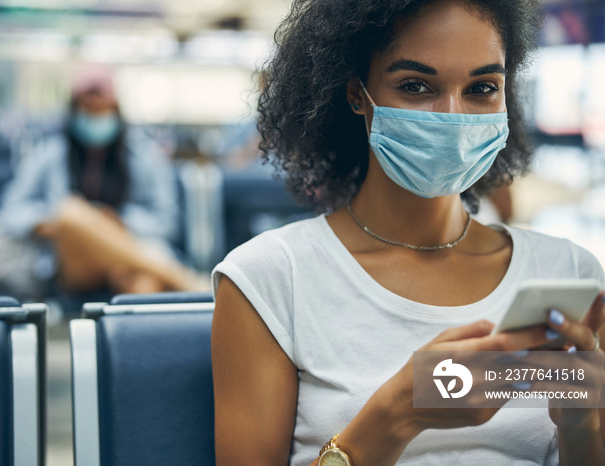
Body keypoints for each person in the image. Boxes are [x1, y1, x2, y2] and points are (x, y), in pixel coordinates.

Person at [210, 1, 605, 465]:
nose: (453, 116)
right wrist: (399, 411)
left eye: (482, 87)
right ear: (357, 94)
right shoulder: (270, 280)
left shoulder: (566, 274)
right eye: (415, 86)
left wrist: (584, 424)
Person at [0, 66, 206, 300]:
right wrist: (45, 223)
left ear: (115, 110)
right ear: (74, 110)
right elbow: (10, 210)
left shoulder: (143, 156)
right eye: (87, 109)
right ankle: (186, 280)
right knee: (71, 213)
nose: (95, 116)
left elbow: (164, 220)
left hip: (127, 256)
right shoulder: (49, 153)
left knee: (143, 284)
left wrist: (117, 220)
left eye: (102, 110)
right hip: (69, 261)